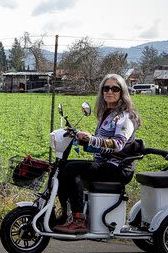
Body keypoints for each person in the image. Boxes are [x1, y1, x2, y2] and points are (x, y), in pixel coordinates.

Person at [54, 73, 141, 234]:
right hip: (105, 164)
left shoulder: (125, 116)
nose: (110, 92)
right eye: (106, 88)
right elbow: (100, 144)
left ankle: (79, 220)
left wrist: (92, 140)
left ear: (122, 92)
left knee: (72, 169)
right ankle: (67, 214)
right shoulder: (106, 115)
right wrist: (81, 139)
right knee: (62, 166)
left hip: (118, 167)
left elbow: (118, 144)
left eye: (115, 89)